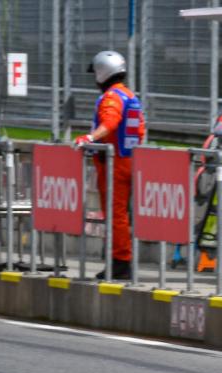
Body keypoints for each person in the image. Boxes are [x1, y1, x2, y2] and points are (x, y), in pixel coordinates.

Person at [73, 50, 145, 281]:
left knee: (115, 214)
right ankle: (118, 261)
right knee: (118, 214)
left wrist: (90, 138)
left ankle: (121, 263)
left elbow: (110, 122)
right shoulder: (128, 95)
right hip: (127, 159)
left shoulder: (111, 98)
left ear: (103, 73)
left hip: (115, 164)